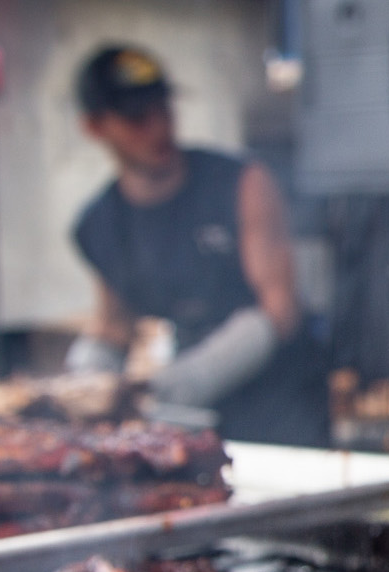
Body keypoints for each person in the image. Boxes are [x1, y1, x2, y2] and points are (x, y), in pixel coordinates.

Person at [66, 45, 325, 446]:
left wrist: (188, 380)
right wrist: (79, 384)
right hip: (195, 417)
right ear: (96, 127)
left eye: (164, 111)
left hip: (278, 404)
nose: (159, 129)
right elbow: (115, 325)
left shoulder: (241, 184)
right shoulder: (100, 224)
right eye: (138, 119)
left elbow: (281, 308)